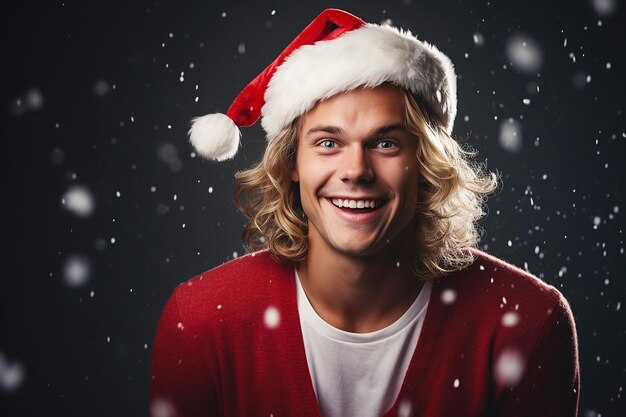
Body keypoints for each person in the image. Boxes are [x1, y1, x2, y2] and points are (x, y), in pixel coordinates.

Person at [150, 9, 580, 417]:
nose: (356, 171)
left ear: (426, 164)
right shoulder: (203, 320)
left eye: (386, 143)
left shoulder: (525, 323)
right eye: (328, 143)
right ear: (291, 164)